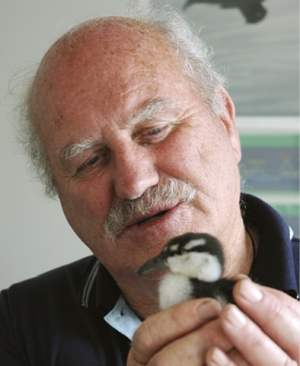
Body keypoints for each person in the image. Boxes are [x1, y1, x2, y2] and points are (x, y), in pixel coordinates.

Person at [0, 6, 299, 366]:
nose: (134, 183)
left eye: (155, 129)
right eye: (90, 160)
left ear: (226, 123)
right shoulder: (16, 330)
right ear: (58, 192)